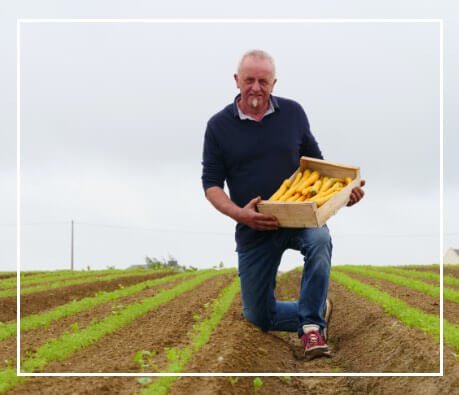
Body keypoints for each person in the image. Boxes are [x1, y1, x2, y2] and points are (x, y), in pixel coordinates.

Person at [201, 49, 365, 360]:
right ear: (236, 81)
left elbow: (317, 166)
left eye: (263, 81)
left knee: (320, 240)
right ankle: (318, 309)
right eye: (249, 80)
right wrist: (241, 215)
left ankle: (312, 328)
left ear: (274, 83)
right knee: (258, 317)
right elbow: (211, 184)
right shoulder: (218, 126)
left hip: (301, 216)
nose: (256, 88)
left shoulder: (293, 114)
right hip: (254, 226)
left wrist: (345, 195)